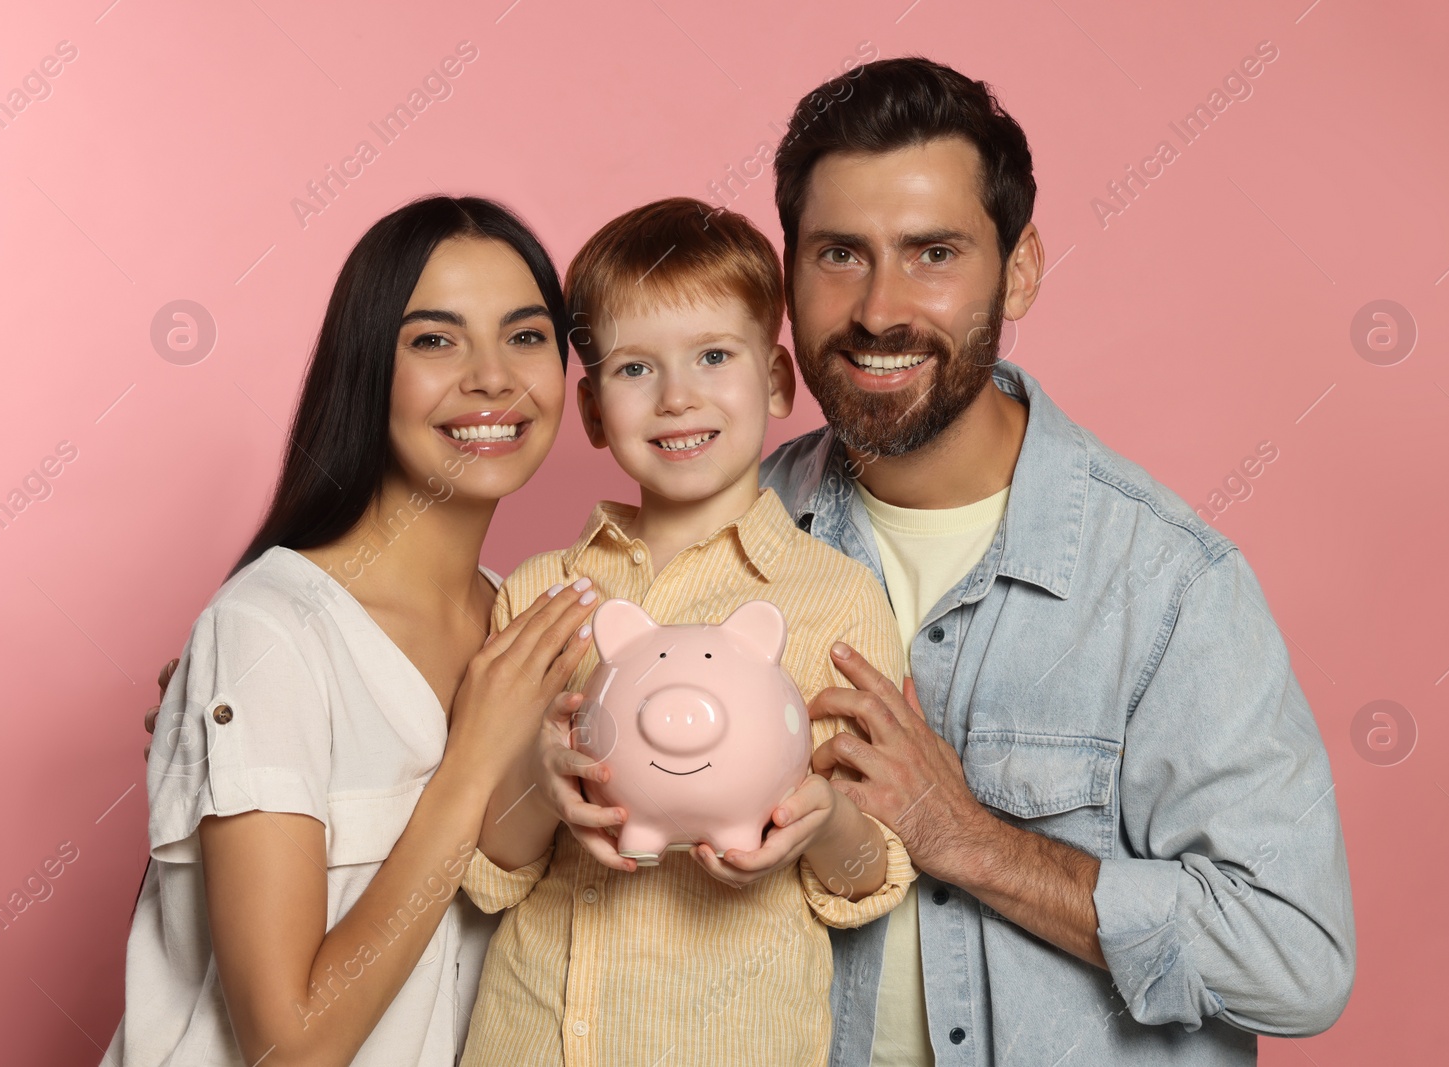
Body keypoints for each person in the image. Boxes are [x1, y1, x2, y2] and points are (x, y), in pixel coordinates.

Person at [758, 58, 1357, 1065]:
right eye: (838, 254)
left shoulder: (1164, 581)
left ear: (1019, 268)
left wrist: (968, 839)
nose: (876, 308)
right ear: (788, 272)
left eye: (932, 252)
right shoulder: (731, 533)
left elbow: (1296, 958)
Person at [111, 196, 600, 1066]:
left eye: (526, 336)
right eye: (435, 339)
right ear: (367, 364)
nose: (493, 376)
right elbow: (286, 1047)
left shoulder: (526, 627)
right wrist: (473, 763)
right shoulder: (266, 632)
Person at [453, 197, 917, 1066]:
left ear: (777, 380)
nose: (677, 397)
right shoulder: (541, 593)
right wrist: (538, 786)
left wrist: (825, 826)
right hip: (529, 1037)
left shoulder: (838, 599)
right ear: (590, 409)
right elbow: (490, 867)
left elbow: (868, 878)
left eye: (713, 355)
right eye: (634, 370)